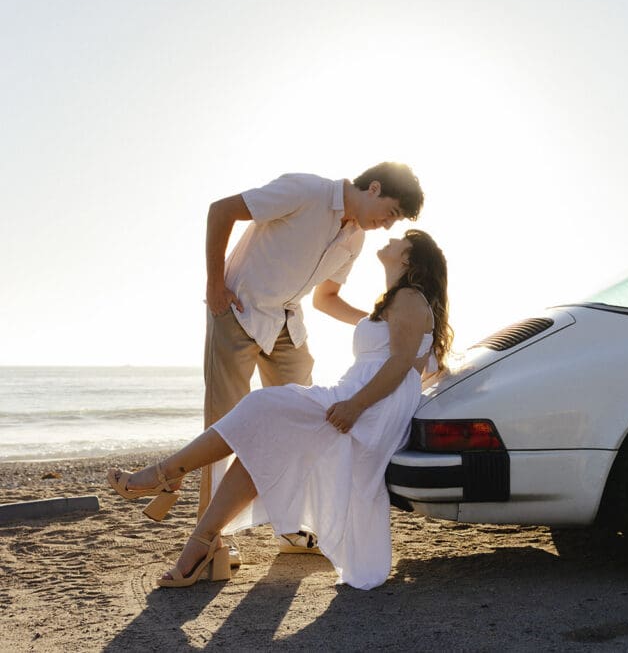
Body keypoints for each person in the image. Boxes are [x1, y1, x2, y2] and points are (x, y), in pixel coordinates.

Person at [108, 229, 452, 589]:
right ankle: (199, 542)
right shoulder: (398, 301)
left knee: (261, 406)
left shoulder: (411, 298)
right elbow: (413, 364)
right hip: (359, 398)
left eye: (402, 239)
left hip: (365, 408)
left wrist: (354, 406)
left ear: (410, 259)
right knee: (263, 444)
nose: (391, 238)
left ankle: (162, 477)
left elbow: (399, 366)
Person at [202, 163, 424, 556]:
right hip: (238, 309)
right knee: (226, 422)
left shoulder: (353, 239)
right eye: (390, 213)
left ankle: (290, 526)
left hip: (287, 325)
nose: (387, 225)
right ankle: (210, 539)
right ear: (374, 188)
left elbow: (326, 299)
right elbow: (221, 210)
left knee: (303, 422)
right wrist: (215, 285)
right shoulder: (304, 191)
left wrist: (384, 326)